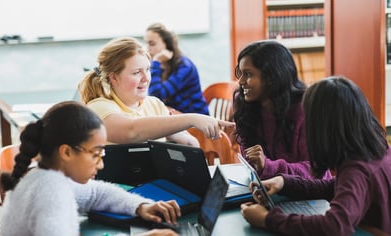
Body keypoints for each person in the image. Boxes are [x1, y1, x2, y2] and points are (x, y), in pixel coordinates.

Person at [0, 101, 180, 236]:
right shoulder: (50, 191)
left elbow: (96, 194)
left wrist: (141, 206)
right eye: (96, 154)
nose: (101, 164)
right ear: (67, 152)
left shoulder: (46, 177)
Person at [240, 77, 391, 235]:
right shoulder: (377, 149)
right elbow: (335, 186)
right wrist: (284, 183)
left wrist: (268, 219)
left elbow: (334, 226)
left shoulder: (356, 170)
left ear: (322, 128)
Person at [79, 37, 232, 146]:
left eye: (148, 69)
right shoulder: (98, 107)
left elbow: (191, 145)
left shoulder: (154, 104)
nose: (146, 78)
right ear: (114, 78)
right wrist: (192, 119)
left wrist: (185, 140)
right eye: (136, 72)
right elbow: (132, 131)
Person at [233, 40, 331, 180]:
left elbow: (316, 171)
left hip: (310, 192)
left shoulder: (306, 108)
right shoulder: (243, 103)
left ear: (272, 77)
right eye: (240, 73)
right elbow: (251, 163)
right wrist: (262, 167)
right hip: (266, 188)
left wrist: (268, 167)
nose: (241, 81)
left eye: (248, 74)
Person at [144, 22, 209, 115]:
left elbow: (156, 96)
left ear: (167, 44)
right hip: (176, 117)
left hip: (195, 122)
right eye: (146, 43)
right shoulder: (161, 65)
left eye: (152, 44)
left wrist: (156, 62)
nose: (148, 48)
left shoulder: (184, 67)